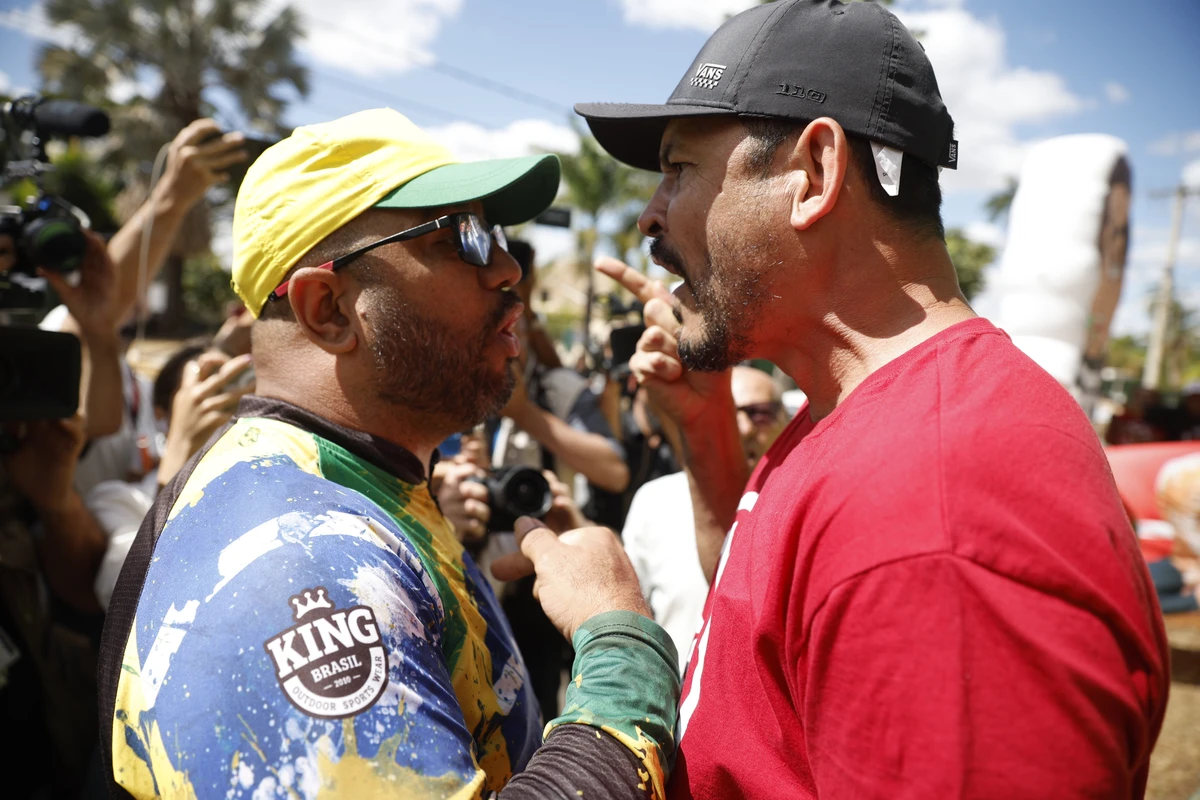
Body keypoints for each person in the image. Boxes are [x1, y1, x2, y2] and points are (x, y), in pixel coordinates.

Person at [494, 2, 1171, 797]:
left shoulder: (941, 504)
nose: (650, 213)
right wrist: (706, 433)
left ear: (814, 174)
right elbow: (772, 640)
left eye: (679, 170)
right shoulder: (851, 412)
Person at [97, 108, 680, 800]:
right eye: (461, 238)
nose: (509, 270)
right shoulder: (298, 564)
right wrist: (621, 654)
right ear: (329, 309)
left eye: (496, 233)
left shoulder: (359, 487)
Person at [623, 365, 787, 669]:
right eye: (726, 415)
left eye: (759, 414)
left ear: (786, 421)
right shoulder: (655, 500)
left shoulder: (799, 500)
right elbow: (634, 615)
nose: (743, 429)